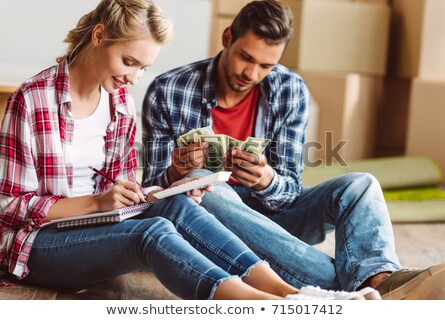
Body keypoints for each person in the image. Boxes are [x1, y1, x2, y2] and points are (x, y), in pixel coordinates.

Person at [0, 0, 381, 300]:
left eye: (142, 68)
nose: (134, 77)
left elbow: (128, 191)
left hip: (117, 226)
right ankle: (268, 303)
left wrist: (168, 189)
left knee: (178, 205)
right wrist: (107, 200)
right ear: (99, 36)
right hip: (39, 241)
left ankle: (294, 293)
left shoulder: (117, 103)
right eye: (129, 62)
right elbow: (8, 207)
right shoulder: (34, 100)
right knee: (161, 224)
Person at [141, 0, 445, 299]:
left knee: (361, 185)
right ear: (227, 38)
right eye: (245, 57)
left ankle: (379, 279)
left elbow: (289, 189)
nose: (251, 73)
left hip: (275, 214)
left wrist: (265, 179)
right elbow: (152, 192)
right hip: (213, 219)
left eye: (265, 65)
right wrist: (176, 172)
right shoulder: (169, 89)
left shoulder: (290, 89)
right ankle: (358, 291)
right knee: (206, 186)